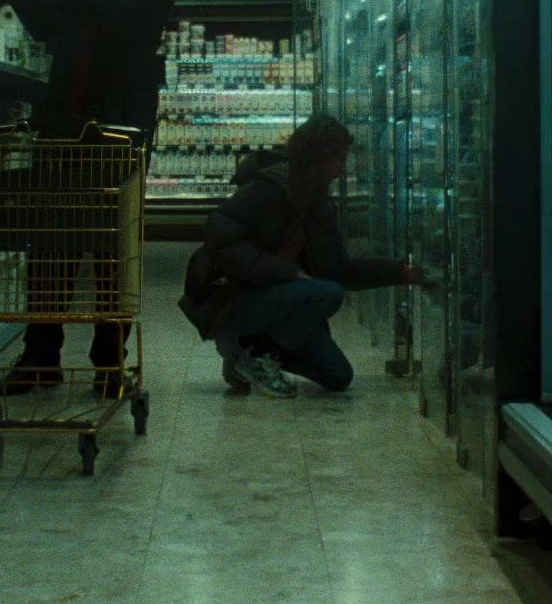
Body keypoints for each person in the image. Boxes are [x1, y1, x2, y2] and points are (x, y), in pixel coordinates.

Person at [0, 0, 179, 396]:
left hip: (116, 131)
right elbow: (50, 26)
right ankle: (40, 356)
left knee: (110, 248)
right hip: (63, 127)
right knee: (49, 245)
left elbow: (115, 26)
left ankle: (109, 362)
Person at [178, 115, 424, 397]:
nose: (341, 170)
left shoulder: (318, 204)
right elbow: (219, 235)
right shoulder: (269, 188)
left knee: (337, 374)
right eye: (338, 159)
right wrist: (286, 271)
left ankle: (248, 356)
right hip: (235, 299)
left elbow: (339, 270)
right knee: (327, 293)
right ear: (317, 158)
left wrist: (400, 272)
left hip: (278, 299)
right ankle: (246, 348)